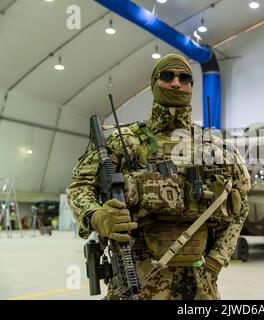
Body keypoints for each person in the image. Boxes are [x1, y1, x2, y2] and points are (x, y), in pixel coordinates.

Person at [67, 53, 250, 300]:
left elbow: (241, 205)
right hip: (137, 276)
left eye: (184, 78)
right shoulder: (125, 141)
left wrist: (218, 258)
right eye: (167, 76)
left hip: (200, 281)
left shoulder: (216, 147)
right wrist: (96, 216)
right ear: (154, 83)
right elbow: (80, 186)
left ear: (191, 86)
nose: (176, 83)